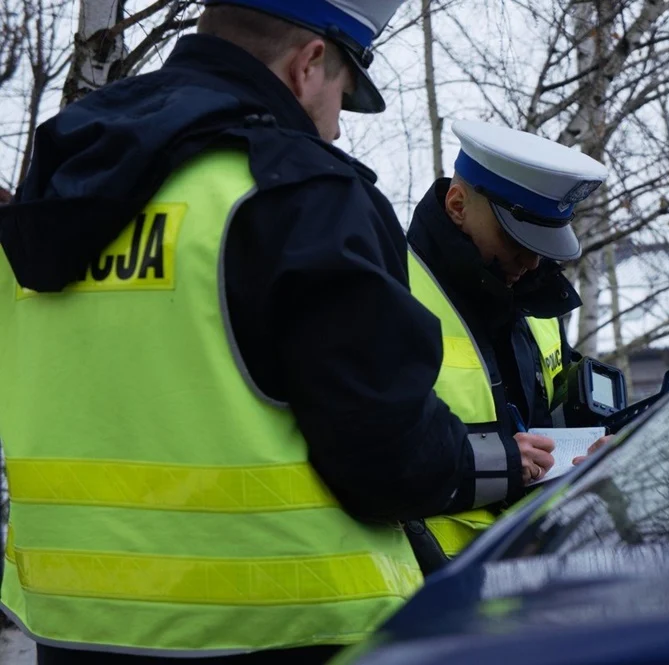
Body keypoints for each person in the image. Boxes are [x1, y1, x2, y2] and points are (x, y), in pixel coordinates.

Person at [0, 3, 551, 663]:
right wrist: (486, 460)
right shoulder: (297, 190)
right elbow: (387, 456)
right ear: (309, 63)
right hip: (283, 631)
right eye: (343, 98)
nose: (338, 128)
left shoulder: (56, 179)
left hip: (75, 630)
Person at [406, 120, 612, 569]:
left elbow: (548, 423)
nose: (533, 260)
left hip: (527, 574)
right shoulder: (389, 290)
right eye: (516, 238)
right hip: (428, 589)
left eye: (544, 244)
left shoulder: (531, 305)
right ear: (457, 206)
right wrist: (498, 462)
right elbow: (373, 452)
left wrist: (596, 451)